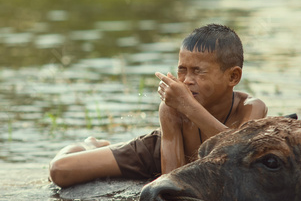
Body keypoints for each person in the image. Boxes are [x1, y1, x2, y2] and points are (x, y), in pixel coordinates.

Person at [49, 23, 268, 187]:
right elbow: (172, 180)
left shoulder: (251, 108)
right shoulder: (172, 108)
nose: (187, 80)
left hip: (209, 157)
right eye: (182, 70)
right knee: (60, 171)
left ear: (233, 77)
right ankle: (92, 145)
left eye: (198, 71)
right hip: (157, 152)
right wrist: (180, 106)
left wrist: (187, 105)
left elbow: (240, 153)